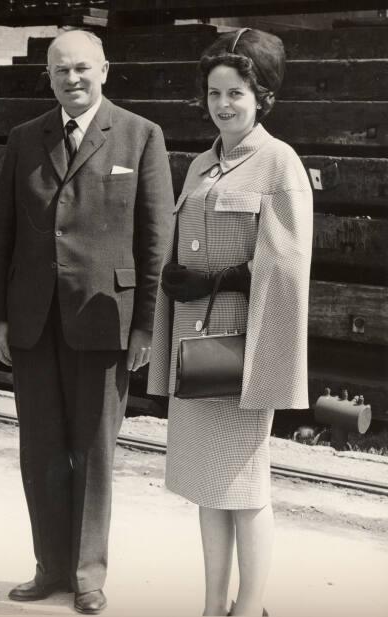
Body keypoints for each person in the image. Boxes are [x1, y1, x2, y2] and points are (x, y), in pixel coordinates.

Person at [0, 30, 173, 615]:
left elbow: (155, 239)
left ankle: (88, 573)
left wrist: (145, 325)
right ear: (48, 76)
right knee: (40, 450)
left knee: (93, 452)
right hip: (33, 322)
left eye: (83, 69)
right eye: (61, 70)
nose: (73, 79)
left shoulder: (142, 136)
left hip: (105, 321)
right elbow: (2, 238)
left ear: (105, 71)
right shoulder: (23, 140)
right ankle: (49, 567)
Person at [147, 28, 313, 617]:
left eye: (236, 92)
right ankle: (214, 604)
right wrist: (173, 282)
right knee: (205, 486)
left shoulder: (278, 162)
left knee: (244, 487)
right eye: (215, 92)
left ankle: (251, 608)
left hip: (245, 349)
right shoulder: (198, 165)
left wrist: (219, 280)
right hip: (197, 344)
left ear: (261, 96)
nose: (223, 104)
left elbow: (289, 264)